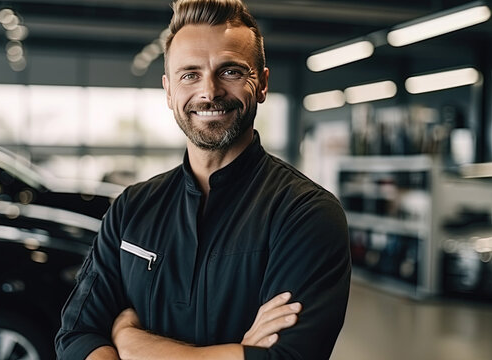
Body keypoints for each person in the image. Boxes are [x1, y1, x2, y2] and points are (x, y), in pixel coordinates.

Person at [55, 0, 351, 359]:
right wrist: (236, 353)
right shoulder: (131, 209)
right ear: (168, 90)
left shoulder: (305, 214)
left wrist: (131, 342)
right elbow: (77, 335)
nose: (209, 92)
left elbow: (288, 357)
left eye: (231, 72)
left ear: (262, 84)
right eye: (190, 74)